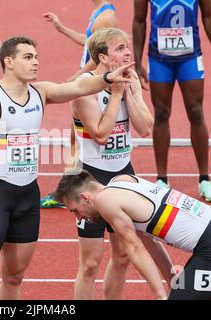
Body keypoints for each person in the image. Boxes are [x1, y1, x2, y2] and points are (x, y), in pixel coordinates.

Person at [0, 36, 134, 300]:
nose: (35, 62)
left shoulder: (41, 92)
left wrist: (107, 79)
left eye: (36, 57)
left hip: (27, 195)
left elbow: (78, 88)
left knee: (14, 276)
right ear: (8, 61)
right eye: (28, 57)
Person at [70, 28, 173, 300]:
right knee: (91, 262)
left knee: (125, 254)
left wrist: (128, 92)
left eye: (127, 47)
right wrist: (116, 94)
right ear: (103, 57)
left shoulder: (131, 79)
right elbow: (101, 135)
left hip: (124, 175)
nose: (128, 52)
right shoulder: (84, 87)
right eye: (120, 48)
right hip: (91, 177)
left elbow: (145, 127)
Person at [54, 169, 211, 299]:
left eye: (75, 210)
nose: (79, 218)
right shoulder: (123, 180)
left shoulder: (106, 201)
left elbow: (135, 249)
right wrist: (170, 281)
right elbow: (149, 244)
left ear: (84, 198)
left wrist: (160, 295)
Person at [132, 0, 211, 201]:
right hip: (158, 58)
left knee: (196, 112)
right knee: (161, 113)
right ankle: (161, 180)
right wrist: (138, 62)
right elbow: (139, 20)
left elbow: (208, 15)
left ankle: (204, 180)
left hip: (190, 57)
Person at [40, 1, 118, 209]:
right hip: (88, 83)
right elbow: (90, 44)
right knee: (76, 140)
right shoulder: (99, 12)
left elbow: (99, 57)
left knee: (82, 140)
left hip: (92, 84)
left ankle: (72, 192)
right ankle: (69, 190)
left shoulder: (106, 16)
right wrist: (61, 28)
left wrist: (76, 80)